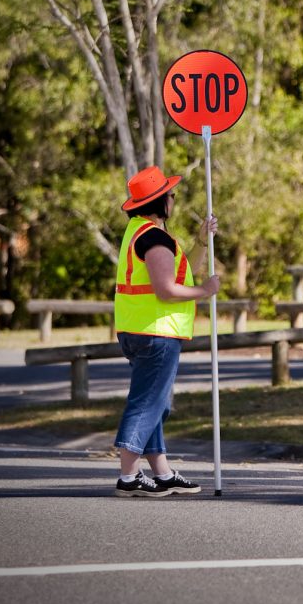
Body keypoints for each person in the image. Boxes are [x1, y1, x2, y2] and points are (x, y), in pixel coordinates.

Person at [112, 166, 221, 497]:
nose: (174, 199)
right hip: (156, 333)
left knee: (154, 402)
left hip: (140, 329)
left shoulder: (140, 231)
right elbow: (166, 289)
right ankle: (129, 474)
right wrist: (205, 291)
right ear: (161, 201)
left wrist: (203, 241)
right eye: (171, 194)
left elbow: (185, 270)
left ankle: (162, 472)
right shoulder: (154, 237)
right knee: (148, 402)